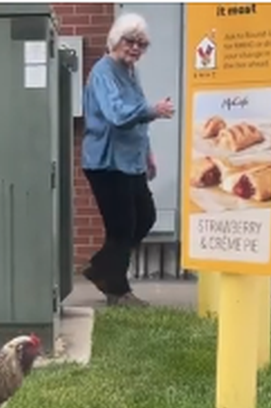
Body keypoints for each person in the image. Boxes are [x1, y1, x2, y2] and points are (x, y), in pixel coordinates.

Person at [80, 12, 175, 307]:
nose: (135, 48)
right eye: (130, 41)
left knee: (145, 217)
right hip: (106, 163)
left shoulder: (132, 72)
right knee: (121, 228)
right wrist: (153, 110)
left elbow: (136, 118)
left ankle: (101, 269)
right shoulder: (103, 72)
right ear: (115, 41)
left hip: (130, 162)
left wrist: (148, 154)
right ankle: (118, 291)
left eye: (141, 44)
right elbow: (118, 115)